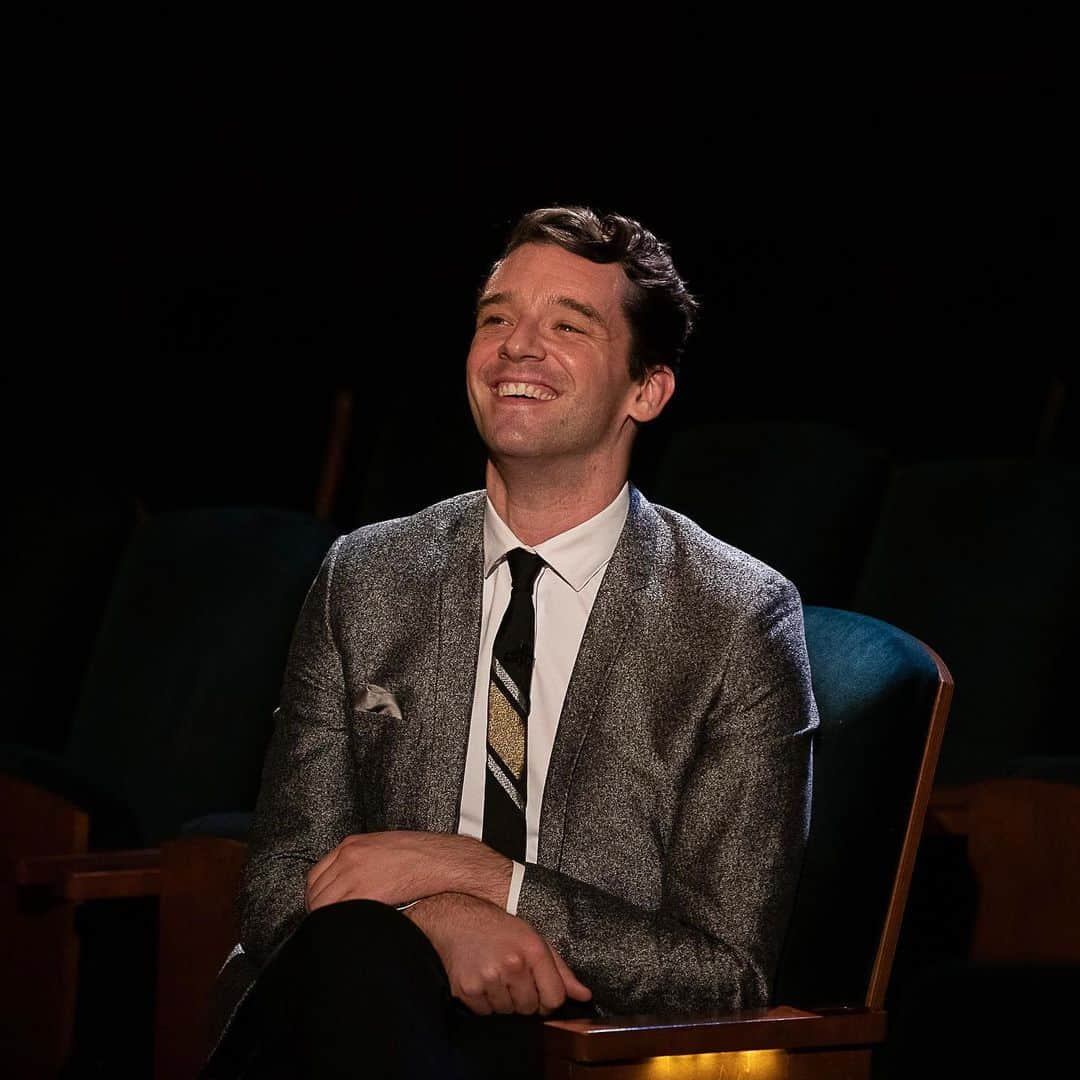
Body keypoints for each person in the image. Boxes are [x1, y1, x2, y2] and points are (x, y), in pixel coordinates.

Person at [202, 206, 819, 1079]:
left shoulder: (736, 618)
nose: (516, 347)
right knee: (356, 967)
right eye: (497, 319)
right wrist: (432, 922)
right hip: (357, 1001)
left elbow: (725, 970)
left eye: (568, 326)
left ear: (647, 389)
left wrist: (494, 883)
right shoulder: (368, 576)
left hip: (577, 1038)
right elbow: (276, 888)